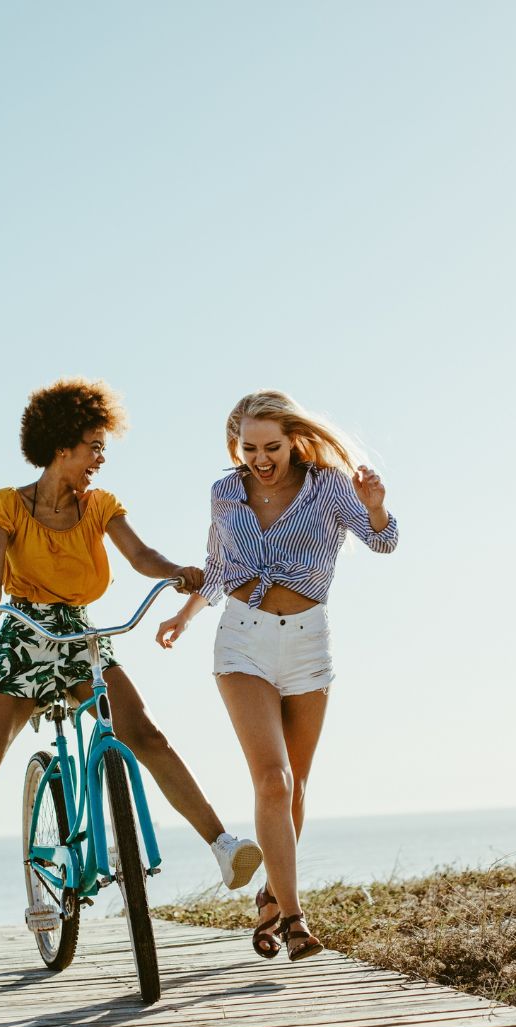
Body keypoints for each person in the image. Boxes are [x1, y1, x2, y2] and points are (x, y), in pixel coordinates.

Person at [0, 378, 261, 930]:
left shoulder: (101, 506)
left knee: (145, 735)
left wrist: (174, 571)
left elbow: (140, 554)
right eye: (94, 446)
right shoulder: (6, 504)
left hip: (78, 635)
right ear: (61, 448)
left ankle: (223, 846)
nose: (100, 458)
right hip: (23, 632)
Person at [155, 390, 398, 960]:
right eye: (248, 448)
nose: (260, 459)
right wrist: (185, 615)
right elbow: (218, 567)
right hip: (242, 641)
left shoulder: (330, 486)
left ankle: (269, 897)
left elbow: (383, 542)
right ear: (235, 445)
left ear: (293, 439)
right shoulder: (224, 493)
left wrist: (376, 504)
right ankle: (294, 918)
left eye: (271, 447)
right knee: (274, 780)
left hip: (310, 642)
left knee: (297, 787)